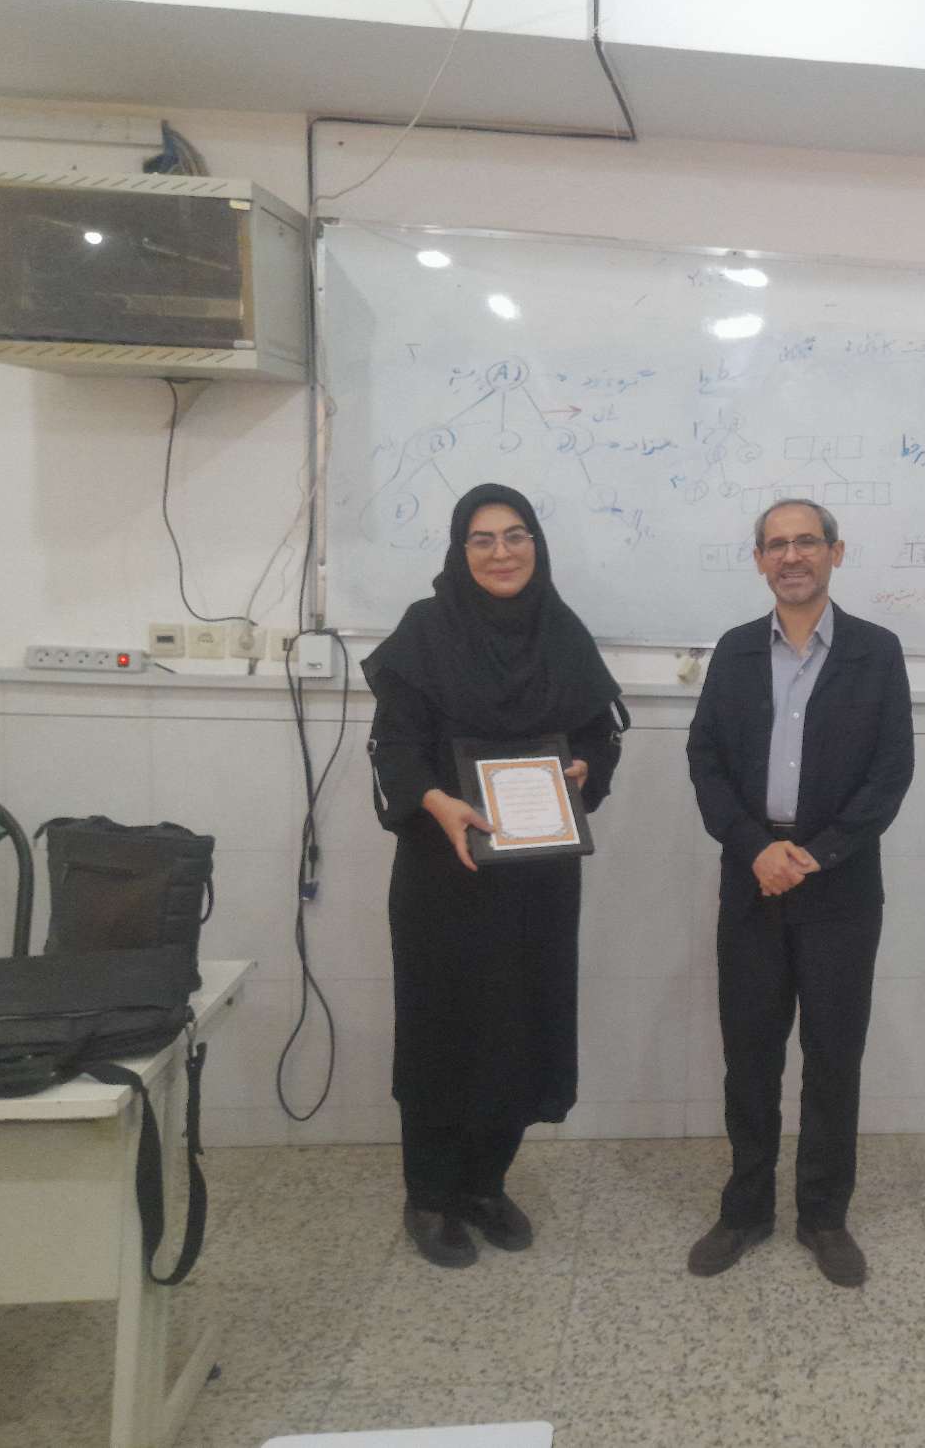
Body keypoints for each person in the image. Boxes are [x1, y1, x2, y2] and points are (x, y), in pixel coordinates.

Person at [364, 483, 628, 1269]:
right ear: (460, 550)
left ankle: (485, 1184)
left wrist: (584, 770)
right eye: (482, 539)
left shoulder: (562, 631)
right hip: (444, 876)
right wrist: (436, 801)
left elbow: (599, 738)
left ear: (536, 544)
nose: (502, 552)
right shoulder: (424, 632)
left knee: (522, 1028)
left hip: (536, 880)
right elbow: (395, 750)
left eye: (516, 536)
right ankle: (430, 1195)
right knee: (443, 1029)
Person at [684, 498, 914, 1287]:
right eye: (776, 545)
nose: (792, 556)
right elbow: (706, 761)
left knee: (833, 1057)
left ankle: (823, 1215)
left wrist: (813, 856)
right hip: (752, 880)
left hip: (840, 887)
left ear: (835, 553)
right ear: (759, 561)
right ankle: (745, 1210)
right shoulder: (735, 651)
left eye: (807, 541)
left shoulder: (877, 652)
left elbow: (891, 773)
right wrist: (757, 849)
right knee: (749, 1057)